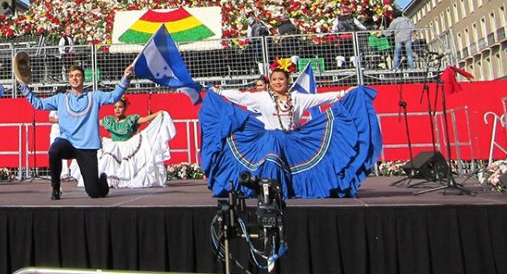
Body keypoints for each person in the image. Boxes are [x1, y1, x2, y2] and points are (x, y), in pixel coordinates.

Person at [200, 66, 380, 199]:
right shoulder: (262, 97)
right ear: (270, 82)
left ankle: (289, 190)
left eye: (281, 79)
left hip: (293, 139)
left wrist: (343, 93)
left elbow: (320, 98)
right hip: (270, 138)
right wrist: (219, 91)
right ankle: (269, 192)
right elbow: (241, 96)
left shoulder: (297, 98)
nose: (277, 82)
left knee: (294, 168)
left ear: (288, 81)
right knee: (271, 160)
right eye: (274, 79)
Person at [20, 63, 135, 200]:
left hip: (86, 146)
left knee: (94, 192)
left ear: (83, 79)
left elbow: (113, 97)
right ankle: (56, 187)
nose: (74, 78)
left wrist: (126, 78)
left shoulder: (94, 96)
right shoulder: (60, 98)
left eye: (78, 75)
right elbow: (38, 104)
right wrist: (23, 86)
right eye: (71, 76)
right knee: (54, 151)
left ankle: (102, 181)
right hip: (67, 142)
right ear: (69, 79)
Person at [86, 96, 174, 188]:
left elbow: (145, 119)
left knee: (127, 167)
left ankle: (123, 181)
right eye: (115, 107)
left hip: (128, 147)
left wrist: (159, 113)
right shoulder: (109, 121)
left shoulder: (130, 120)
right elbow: (94, 122)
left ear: (125, 108)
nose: (117, 110)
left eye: (120, 107)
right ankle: (109, 181)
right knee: (108, 158)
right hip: (113, 146)